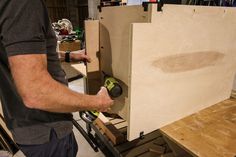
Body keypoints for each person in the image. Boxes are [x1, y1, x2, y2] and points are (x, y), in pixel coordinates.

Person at [0, 0, 113, 157]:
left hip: (24, 126)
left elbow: (19, 55)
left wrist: (67, 56)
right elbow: (36, 92)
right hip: (48, 132)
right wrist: (97, 102)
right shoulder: (23, 3)